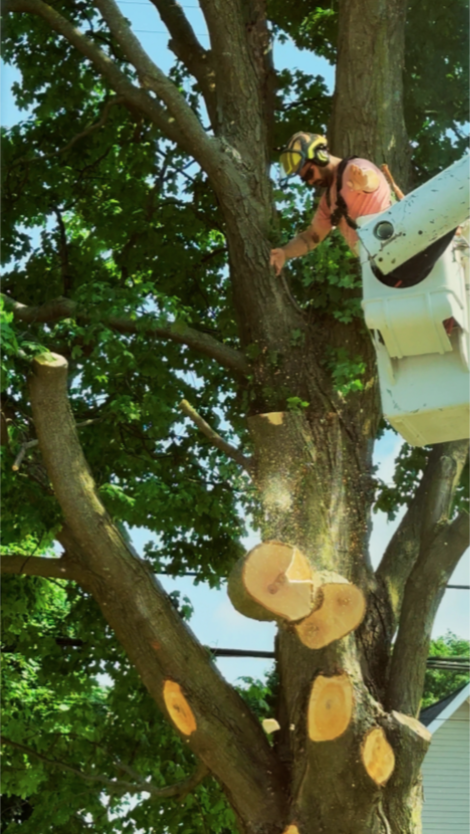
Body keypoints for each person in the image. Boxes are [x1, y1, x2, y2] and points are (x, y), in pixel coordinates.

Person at [270, 132, 392, 275]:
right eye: (304, 179)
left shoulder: (354, 168)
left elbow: (372, 179)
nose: (310, 181)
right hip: (377, 264)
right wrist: (285, 252)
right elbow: (312, 236)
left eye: (309, 174)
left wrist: (365, 181)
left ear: (321, 156)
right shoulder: (328, 201)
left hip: (399, 244)